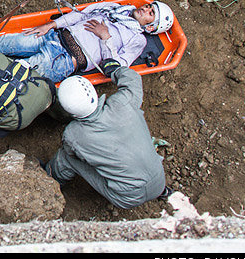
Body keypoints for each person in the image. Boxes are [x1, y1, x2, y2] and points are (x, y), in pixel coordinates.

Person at [44, 59, 170, 209]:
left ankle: (48, 180)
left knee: (66, 158)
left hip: (127, 198)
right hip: (159, 180)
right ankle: (164, 193)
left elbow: (72, 152)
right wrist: (115, 70)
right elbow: (133, 79)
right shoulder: (122, 102)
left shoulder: (74, 135)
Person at [0, 0, 174, 83]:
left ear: (151, 27)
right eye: (149, 6)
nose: (146, 9)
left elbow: (118, 67)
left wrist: (105, 36)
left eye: (151, 14)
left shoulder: (137, 40)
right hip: (53, 36)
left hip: (64, 60)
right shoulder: (115, 8)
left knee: (9, 75)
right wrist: (50, 25)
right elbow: (81, 15)